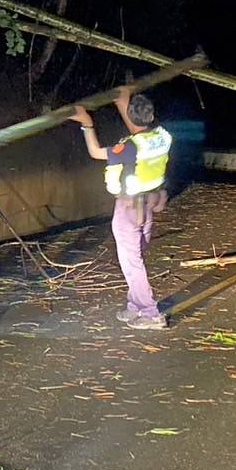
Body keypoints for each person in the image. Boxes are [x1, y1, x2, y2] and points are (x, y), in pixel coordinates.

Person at [70, 86, 172, 330]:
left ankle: (150, 314)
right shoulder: (162, 137)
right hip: (149, 204)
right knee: (136, 257)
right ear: (151, 115)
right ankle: (136, 306)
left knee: (131, 261)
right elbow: (140, 132)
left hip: (129, 207)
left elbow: (95, 152)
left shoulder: (127, 148)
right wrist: (123, 104)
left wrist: (86, 123)